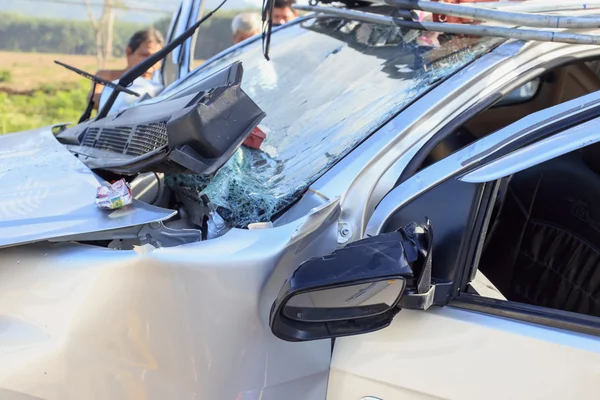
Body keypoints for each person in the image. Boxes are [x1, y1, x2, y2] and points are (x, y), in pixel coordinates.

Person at [90, 28, 165, 111]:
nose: (151, 62)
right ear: (128, 52)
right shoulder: (106, 77)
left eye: (157, 58)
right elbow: (94, 101)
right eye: (145, 55)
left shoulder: (162, 83)